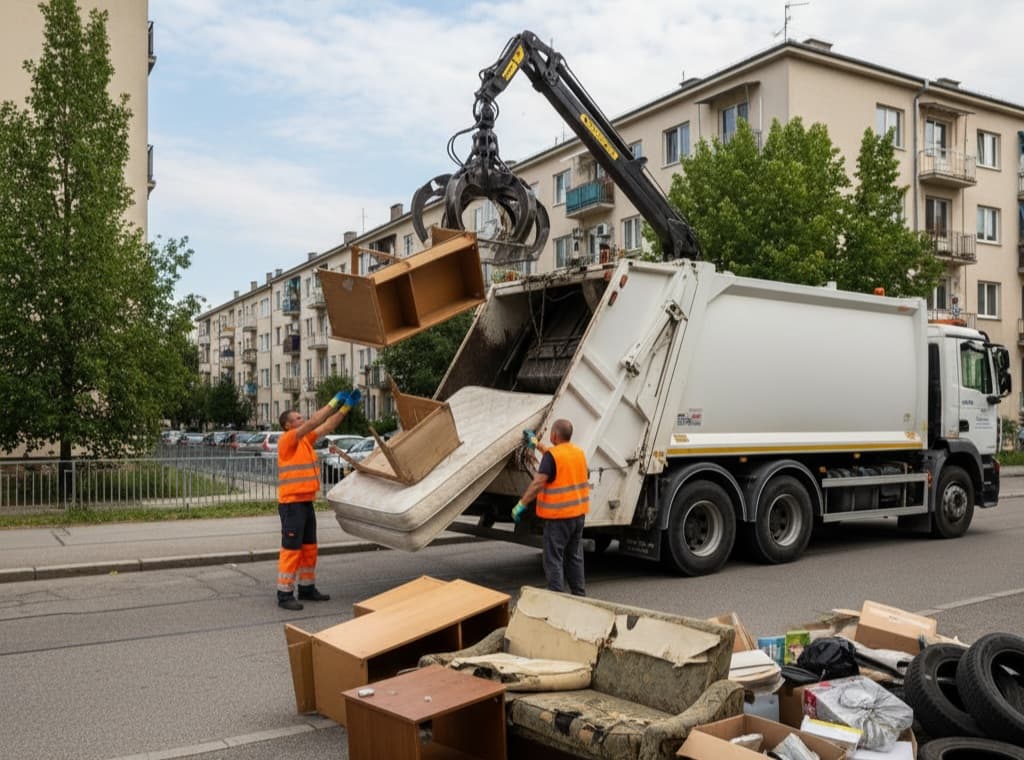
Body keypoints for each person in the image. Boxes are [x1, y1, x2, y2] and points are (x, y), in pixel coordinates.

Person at [275, 389, 361, 611]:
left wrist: (345, 408)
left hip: (305, 503)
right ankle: (284, 594)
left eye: (300, 417)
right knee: (291, 549)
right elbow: (315, 421)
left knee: (309, 548)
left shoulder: (304, 440)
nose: (301, 419)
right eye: (297, 418)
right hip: (291, 504)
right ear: (287, 425)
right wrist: (333, 402)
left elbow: (327, 426)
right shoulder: (288, 440)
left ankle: (306, 588)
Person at [513, 419, 590, 596]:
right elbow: (560, 460)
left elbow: (538, 483)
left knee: (553, 559)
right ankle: (580, 596)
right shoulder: (578, 453)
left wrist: (521, 504)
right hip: (578, 516)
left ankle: (556, 598)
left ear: (554, 435)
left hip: (558, 518)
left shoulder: (552, 457)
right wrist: (537, 445)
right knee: (574, 557)